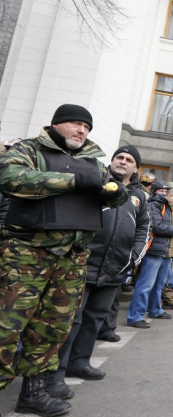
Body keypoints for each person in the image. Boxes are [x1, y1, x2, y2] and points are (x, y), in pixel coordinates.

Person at [0, 104, 128, 417]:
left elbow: (116, 195)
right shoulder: (30, 149)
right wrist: (72, 180)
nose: (82, 131)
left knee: (51, 329)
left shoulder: (93, 162)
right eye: (76, 123)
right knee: (6, 328)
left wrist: (113, 191)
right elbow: (11, 179)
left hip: (71, 258)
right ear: (57, 124)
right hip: (26, 254)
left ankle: (34, 392)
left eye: (86, 126)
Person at [47, 146, 149, 399]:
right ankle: (56, 372)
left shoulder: (139, 196)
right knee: (72, 319)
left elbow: (144, 229)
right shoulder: (97, 182)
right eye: (119, 158)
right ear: (112, 161)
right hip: (84, 263)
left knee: (95, 319)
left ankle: (79, 362)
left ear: (136, 168)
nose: (123, 162)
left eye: (129, 160)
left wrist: (133, 258)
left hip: (115, 267)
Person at [127, 184, 173, 328]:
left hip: (167, 251)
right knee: (145, 285)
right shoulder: (155, 205)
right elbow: (155, 225)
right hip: (155, 250)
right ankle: (135, 316)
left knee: (158, 285)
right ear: (170, 196)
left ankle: (155, 310)